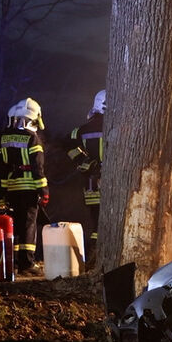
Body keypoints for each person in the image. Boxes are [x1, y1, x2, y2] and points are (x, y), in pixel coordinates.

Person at [0, 97, 48, 276]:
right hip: (29, 189)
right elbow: (37, 166)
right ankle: (27, 264)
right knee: (28, 225)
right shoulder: (32, 139)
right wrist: (44, 189)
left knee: (12, 225)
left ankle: (12, 261)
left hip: (7, 189)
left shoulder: (0, 138)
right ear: (34, 118)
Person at [66, 89, 105, 257]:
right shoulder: (121, 126)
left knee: (96, 221)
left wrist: (84, 162)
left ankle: (93, 257)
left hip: (91, 184)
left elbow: (68, 144)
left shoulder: (81, 130)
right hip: (117, 185)